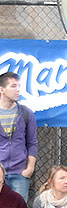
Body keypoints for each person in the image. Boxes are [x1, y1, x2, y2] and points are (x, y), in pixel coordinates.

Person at [0, 71, 38, 200]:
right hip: (0, 173)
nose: (18, 90)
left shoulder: (26, 113)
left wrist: (29, 169)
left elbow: (32, 143)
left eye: (19, 86)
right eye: (13, 86)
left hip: (19, 175)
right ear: (2, 89)